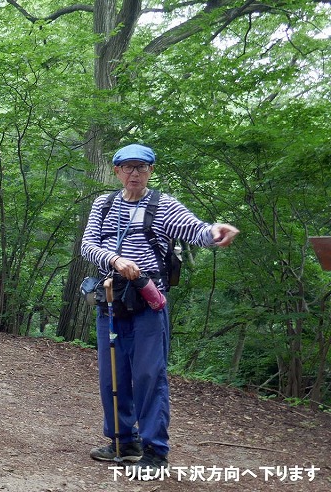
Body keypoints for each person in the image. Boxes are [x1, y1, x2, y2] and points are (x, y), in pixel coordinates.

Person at [80, 143, 239, 478]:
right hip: (110, 301)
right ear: (117, 171)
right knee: (112, 374)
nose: (134, 173)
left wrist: (215, 232)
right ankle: (123, 442)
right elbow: (88, 245)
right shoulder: (103, 204)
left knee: (149, 375)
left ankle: (155, 451)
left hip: (147, 302)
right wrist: (114, 260)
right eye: (128, 167)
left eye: (141, 167)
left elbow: (195, 230)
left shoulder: (163, 205)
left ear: (151, 171)